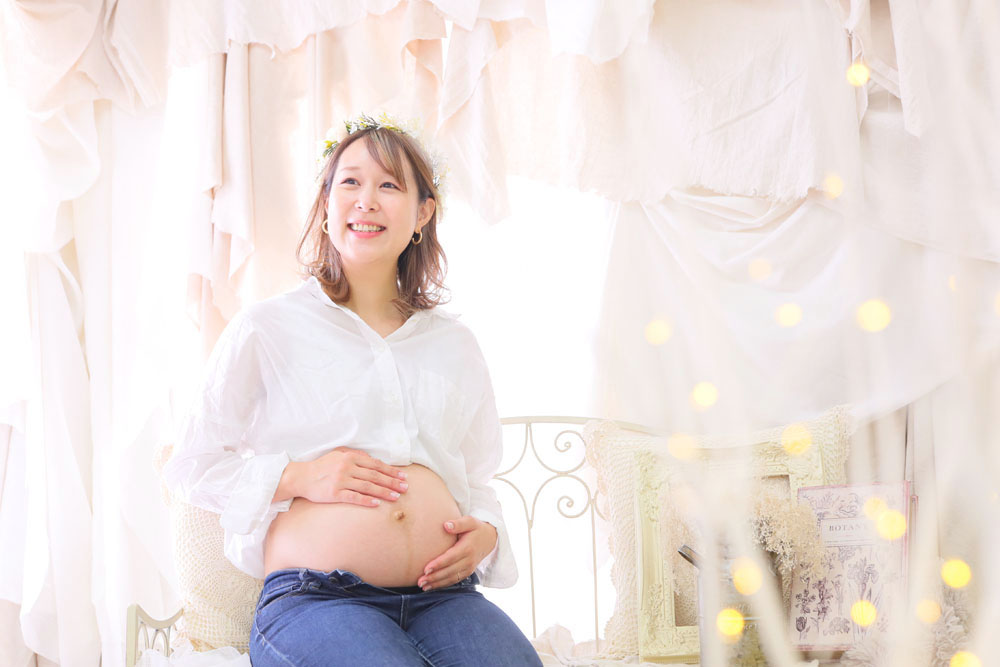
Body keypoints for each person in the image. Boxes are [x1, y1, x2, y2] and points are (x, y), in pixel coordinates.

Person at [162, 113, 542, 666]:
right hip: (317, 598)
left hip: (446, 598)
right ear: (326, 204)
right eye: (350, 182)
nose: (366, 200)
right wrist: (298, 476)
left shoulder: (454, 345)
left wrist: (486, 532)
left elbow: (476, 476)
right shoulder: (267, 328)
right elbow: (191, 465)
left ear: (423, 213)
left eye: (389, 185)